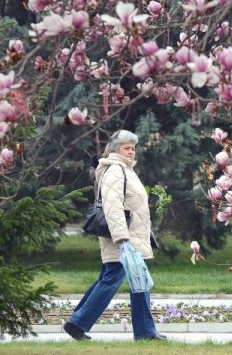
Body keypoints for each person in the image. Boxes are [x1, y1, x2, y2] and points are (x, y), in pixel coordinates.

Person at [64, 130, 166, 341]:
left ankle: (145, 332)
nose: (131, 151)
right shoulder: (115, 170)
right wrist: (122, 239)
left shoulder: (126, 170)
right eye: (126, 148)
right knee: (112, 280)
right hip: (122, 239)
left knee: (138, 282)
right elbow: (112, 206)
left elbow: (126, 202)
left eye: (133, 148)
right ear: (114, 149)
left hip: (131, 238)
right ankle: (78, 323)